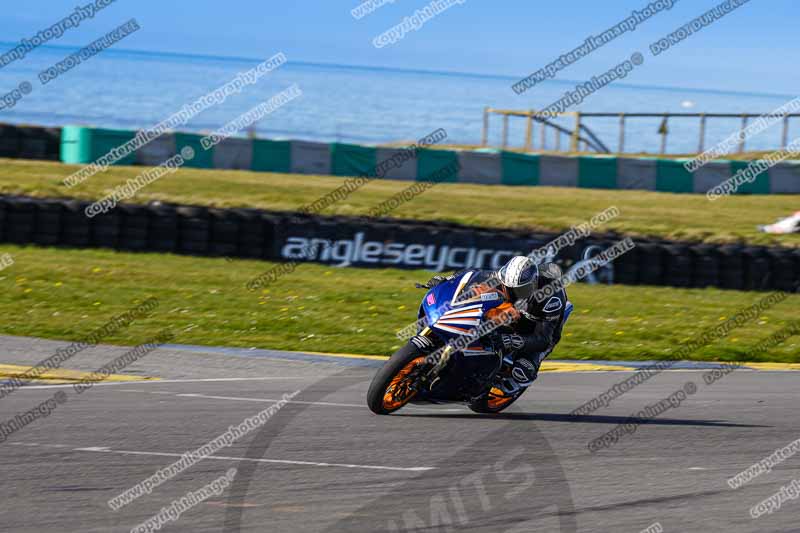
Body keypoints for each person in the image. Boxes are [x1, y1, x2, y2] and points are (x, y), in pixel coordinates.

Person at [410, 256, 572, 390]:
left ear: (533, 284)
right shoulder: (503, 277)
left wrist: (511, 341)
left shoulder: (551, 299)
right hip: (511, 316)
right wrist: (445, 281)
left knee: (522, 371)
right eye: (509, 288)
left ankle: (507, 383)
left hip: (536, 330)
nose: (514, 293)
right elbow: (470, 274)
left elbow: (543, 339)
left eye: (520, 290)